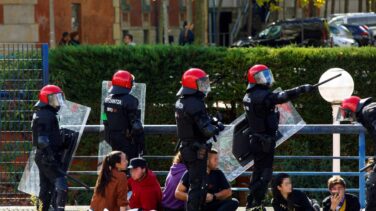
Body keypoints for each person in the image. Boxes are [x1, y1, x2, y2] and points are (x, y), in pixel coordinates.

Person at [243, 64, 316, 210]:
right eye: (262, 76)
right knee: (264, 175)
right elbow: (281, 97)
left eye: (267, 75)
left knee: (258, 172)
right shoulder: (260, 95)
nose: (266, 78)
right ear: (255, 79)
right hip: (263, 141)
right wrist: (301, 89)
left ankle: (252, 204)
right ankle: (255, 204)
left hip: (257, 140)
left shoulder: (250, 95)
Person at [175, 68, 224, 211]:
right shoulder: (196, 103)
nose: (204, 86)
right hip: (196, 150)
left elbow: (195, 122)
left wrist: (210, 122)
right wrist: (217, 127)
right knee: (197, 187)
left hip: (187, 148)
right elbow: (206, 131)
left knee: (196, 185)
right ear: (193, 84)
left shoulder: (181, 101)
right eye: (201, 83)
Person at [32, 85, 68, 211]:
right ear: (46, 99)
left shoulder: (42, 113)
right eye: (54, 98)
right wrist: (50, 156)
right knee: (61, 184)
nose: (57, 101)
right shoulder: (47, 115)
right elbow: (42, 139)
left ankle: (42, 209)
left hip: (43, 155)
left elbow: (46, 136)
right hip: (46, 156)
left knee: (46, 188)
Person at [340, 96, 376, 210]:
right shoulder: (369, 110)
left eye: (348, 115)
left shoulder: (368, 111)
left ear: (351, 111)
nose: (351, 119)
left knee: (372, 185)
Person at [103, 70, 145, 161]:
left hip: (112, 140)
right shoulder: (131, 100)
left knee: (117, 166)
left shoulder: (107, 100)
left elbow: (104, 119)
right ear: (127, 84)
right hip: (127, 142)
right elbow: (136, 126)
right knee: (129, 168)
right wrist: (141, 144)